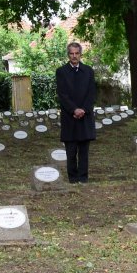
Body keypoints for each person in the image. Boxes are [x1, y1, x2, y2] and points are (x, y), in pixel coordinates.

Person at [55, 41, 97, 183]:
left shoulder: (88, 71)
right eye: (71, 53)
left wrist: (83, 109)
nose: (74, 56)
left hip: (85, 115)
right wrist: (74, 109)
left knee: (84, 150)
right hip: (69, 116)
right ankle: (73, 178)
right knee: (71, 150)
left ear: (80, 54)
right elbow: (62, 94)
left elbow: (91, 93)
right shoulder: (61, 72)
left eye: (77, 53)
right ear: (68, 55)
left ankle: (83, 178)